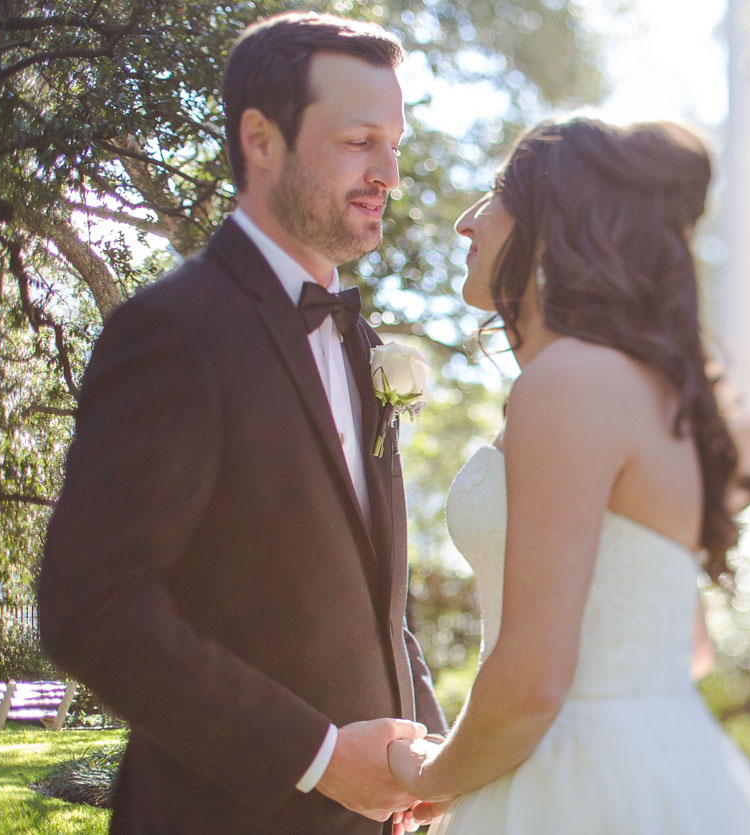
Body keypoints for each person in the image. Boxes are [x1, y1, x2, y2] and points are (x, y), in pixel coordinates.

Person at [37, 12, 447, 834]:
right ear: (260, 140)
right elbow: (91, 605)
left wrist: (421, 747)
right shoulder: (172, 330)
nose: (389, 175)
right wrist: (323, 758)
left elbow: (372, 596)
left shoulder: (360, 342)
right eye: (360, 141)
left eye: (394, 144)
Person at [384, 117, 750, 833]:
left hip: (576, 785)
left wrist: (431, 771)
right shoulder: (643, 384)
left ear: (550, 225)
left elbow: (537, 676)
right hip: (660, 768)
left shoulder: (567, 382)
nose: (465, 221)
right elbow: (687, 645)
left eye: (493, 193)